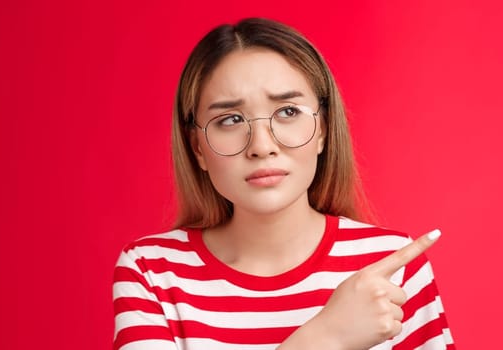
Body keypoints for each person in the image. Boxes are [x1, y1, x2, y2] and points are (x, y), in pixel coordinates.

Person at [113, 18, 455, 350]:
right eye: (230, 119)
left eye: (288, 112)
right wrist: (325, 339)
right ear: (197, 147)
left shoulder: (392, 266)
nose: (262, 146)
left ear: (322, 129)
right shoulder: (152, 272)